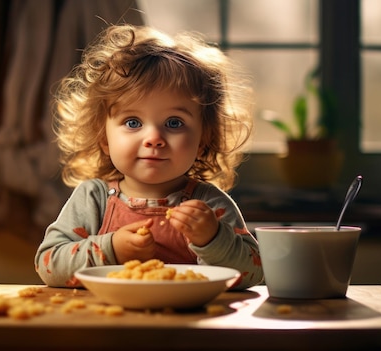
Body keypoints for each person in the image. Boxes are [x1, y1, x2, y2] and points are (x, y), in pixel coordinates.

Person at [34, 24, 263, 289]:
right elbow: (49, 265)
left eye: (174, 123)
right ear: (103, 139)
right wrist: (111, 249)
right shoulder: (92, 199)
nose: (154, 138)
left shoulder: (210, 204)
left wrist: (212, 238)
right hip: (105, 322)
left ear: (203, 140)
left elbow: (253, 273)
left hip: (190, 325)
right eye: (133, 122)